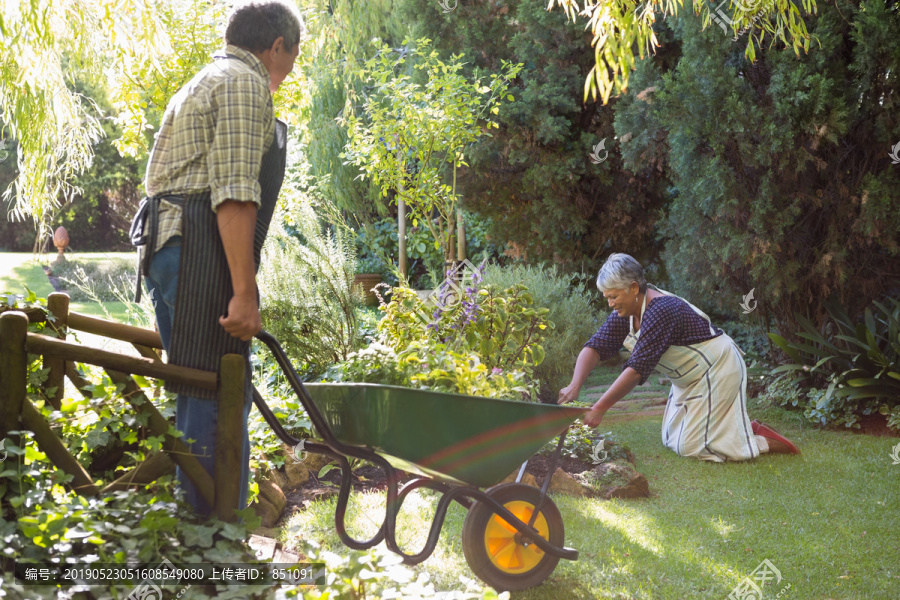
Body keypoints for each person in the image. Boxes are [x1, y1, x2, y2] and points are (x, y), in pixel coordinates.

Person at [133, 1, 304, 516]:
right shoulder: (243, 84)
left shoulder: (208, 77)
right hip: (195, 250)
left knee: (203, 390)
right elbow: (232, 193)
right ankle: (215, 546)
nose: (292, 68)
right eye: (294, 55)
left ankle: (204, 532)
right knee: (215, 392)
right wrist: (244, 292)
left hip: (174, 246)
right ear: (277, 47)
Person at [558, 253, 799, 462]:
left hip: (716, 368)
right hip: (685, 378)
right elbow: (595, 346)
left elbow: (636, 370)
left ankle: (764, 441)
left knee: (692, 447)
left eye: (613, 296)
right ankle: (744, 429)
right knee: (670, 439)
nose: (610, 303)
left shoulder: (661, 310)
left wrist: (599, 408)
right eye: (606, 297)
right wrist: (574, 385)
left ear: (633, 288)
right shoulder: (626, 312)